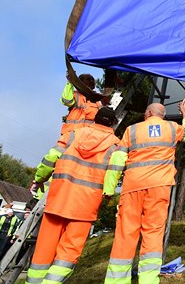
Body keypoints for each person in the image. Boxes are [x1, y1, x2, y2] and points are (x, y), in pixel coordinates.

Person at [26, 107, 123, 283]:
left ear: (95, 118)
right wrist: (108, 192)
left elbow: (50, 157)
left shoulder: (73, 134)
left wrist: (39, 178)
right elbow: (114, 170)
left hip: (59, 199)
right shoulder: (116, 145)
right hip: (86, 205)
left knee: (43, 249)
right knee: (69, 252)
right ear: (114, 123)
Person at [105, 102, 185, 284]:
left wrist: (109, 188)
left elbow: (118, 159)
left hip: (133, 186)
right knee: (153, 233)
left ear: (149, 113)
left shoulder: (132, 130)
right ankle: (148, 279)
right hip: (159, 187)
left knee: (125, 233)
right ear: (162, 114)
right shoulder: (171, 127)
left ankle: (116, 281)